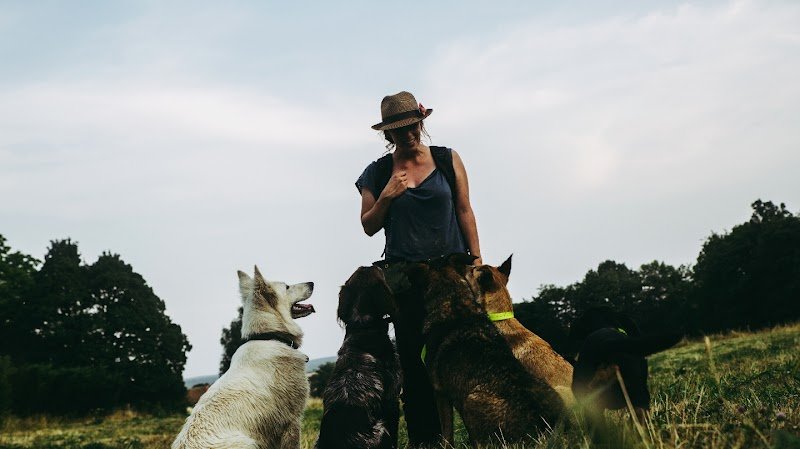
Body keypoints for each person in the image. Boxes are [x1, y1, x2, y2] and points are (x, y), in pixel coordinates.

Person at [355, 91, 482, 445]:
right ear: (387, 134)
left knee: (464, 353)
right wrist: (387, 196)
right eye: (399, 129)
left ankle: (480, 428)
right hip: (405, 281)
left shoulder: (447, 159)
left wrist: (476, 262)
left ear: (421, 122)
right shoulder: (377, 172)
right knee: (413, 365)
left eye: (412, 125)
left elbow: (464, 210)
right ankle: (427, 439)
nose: (408, 133)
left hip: (452, 276)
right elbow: (368, 225)